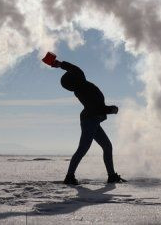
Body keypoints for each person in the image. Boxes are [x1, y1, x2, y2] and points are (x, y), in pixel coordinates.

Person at [42, 51, 126, 185]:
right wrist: (112, 109)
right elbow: (97, 108)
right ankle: (69, 177)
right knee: (83, 148)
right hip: (90, 120)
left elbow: (75, 69)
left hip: (93, 120)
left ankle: (111, 176)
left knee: (106, 146)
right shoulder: (83, 88)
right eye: (73, 74)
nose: (77, 72)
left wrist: (59, 64)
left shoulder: (80, 88)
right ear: (74, 79)